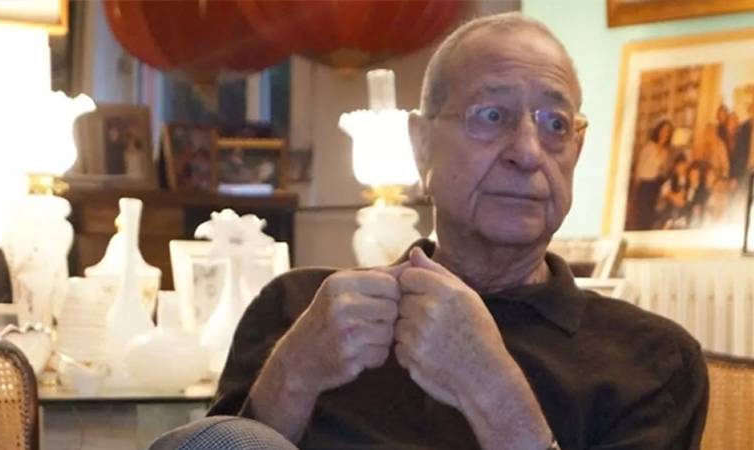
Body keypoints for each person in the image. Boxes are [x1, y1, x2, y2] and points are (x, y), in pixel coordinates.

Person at [159, 13, 708, 450]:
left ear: (576, 152)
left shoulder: (652, 360)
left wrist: (493, 391)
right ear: (421, 145)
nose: (526, 152)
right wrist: (294, 375)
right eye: (491, 116)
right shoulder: (300, 310)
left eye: (555, 125)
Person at [629, 119, 674, 230]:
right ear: (658, 131)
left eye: (667, 131)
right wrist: (636, 187)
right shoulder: (649, 147)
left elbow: (662, 171)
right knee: (642, 215)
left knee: (651, 215)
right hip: (644, 185)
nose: (665, 133)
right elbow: (639, 168)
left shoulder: (665, 151)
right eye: (663, 130)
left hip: (655, 186)